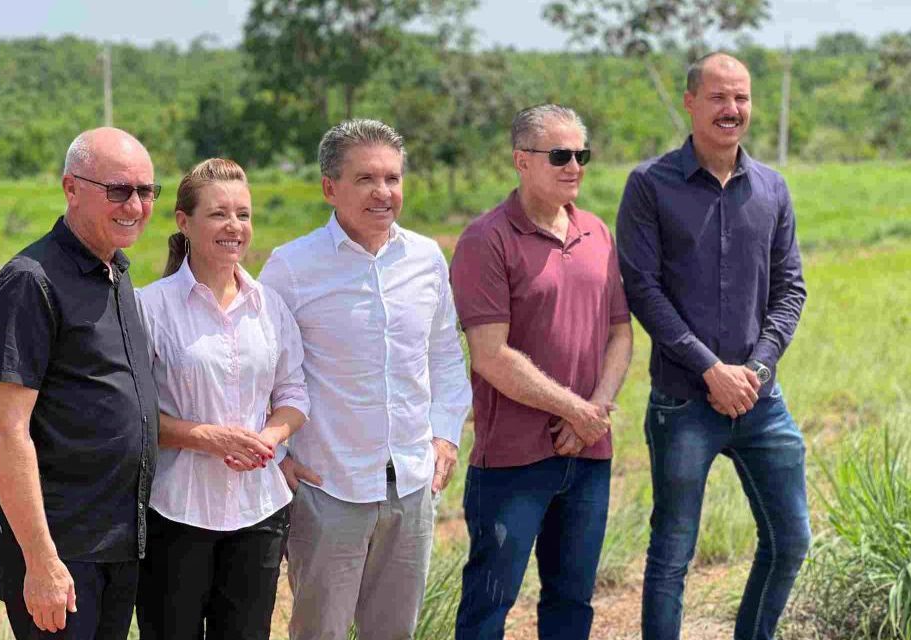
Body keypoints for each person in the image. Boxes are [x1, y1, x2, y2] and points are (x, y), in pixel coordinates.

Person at [616, 53, 811, 640]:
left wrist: (754, 368)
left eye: (742, 98)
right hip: (683, 404)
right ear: (691, 103)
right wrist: (710, 371)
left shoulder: (772, 188)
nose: (733, 109)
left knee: (791, 539)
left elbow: (790, 289)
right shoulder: (650, 185)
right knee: (673, 554)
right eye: (720, 97)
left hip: (761, 401)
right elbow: (643, 291)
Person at [258, 118, 472, 640]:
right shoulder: (291, 268)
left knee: (394, 632)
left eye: (393, 178)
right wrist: (279, 458)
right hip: (329, 488)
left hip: (413, 485)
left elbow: (446, 355)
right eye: (366, 179)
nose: (384, 192)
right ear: (330, 188)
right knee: (320, 632)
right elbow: (257, 371)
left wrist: (445, 433)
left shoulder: (425, 258)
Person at [450, 104, 634, 639]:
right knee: (490, 603)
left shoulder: (597, 232)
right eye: (560, 155)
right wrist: (575, 410)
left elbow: (620, 332)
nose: (574, 166)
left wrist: (591, 415)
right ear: (521, 161)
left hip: (589, 456)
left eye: (582, 155)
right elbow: (489, 354)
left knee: (572, 603)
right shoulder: (486, 240)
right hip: (512, 461)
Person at [0, 127, 160, 639]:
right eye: (118, 190)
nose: (135, 205)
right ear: (71, 188)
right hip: (63, 553)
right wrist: (41, 561)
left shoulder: (116, 272)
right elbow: (4, 431)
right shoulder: (30, 282)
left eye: (146, 191)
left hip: (119, 544)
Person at [133, 158, 309, 640]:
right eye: (218, 214)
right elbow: (133, 414)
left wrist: (268, 438)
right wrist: (207, 438)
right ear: (184, 221)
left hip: (259, 513)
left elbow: (294, 393)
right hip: (176, 512)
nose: (234, 226)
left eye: (244, 214)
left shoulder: (270, 307)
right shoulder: (150, 307)